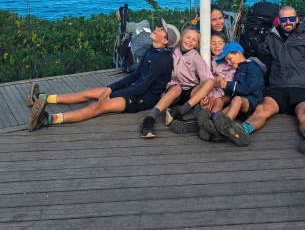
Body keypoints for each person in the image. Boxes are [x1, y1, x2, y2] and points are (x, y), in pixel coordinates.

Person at [27, 18, 179, 132]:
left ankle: (48, 119)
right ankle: (42, 98)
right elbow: (135, 75)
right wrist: (110, 88)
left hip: (143, 99)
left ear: (165, 40)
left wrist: (112, 94)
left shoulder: (162, 59)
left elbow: (143, 86)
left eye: (161, 30)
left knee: (98, 106)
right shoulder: (152, 50)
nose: (157, 28)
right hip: (136, 90)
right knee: (89, 92)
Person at [237, 6, 305, 155]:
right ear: (279, 21)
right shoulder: (271, 37)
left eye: (291, 18)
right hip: (278, 87)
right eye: (284, 19)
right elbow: (262, 58)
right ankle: (241, 131)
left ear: (296, 19)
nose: (287, 22)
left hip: (301, 87)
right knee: (262, 109)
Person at [138, 27, 215, 138]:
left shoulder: (196, 58)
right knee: (176, 88)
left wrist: (207, 95)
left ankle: (179, 113)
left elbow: (206, 78)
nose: (190, 41)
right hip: (174, 88)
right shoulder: (173, 51)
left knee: (210, 81)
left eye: (194, 40)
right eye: (188, 37)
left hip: (191, 91)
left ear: (196, 44)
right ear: (182, 37)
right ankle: (149, 118)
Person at [211, 42, 265, 147]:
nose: (229, 63)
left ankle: (224, 128)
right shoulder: (237, 69)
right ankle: (214, 124)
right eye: (227, 61)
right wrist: (222, 82)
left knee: (236, 99)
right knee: (228, 104)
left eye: (230, 59)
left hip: (251, 101)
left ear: (239, 53)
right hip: (238, 103)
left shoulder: (252, 66)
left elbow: (249, 88)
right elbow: (233, 88)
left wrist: (227, 85)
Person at [194, 31, 235, 142]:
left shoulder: (229, 61)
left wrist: (217, 84)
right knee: (207, 100)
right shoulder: (209, 59)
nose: (217, 46)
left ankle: (211, 123)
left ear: (226, 45)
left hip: (223, 91)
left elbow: (228, 81)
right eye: (213, 43)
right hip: (211, 90)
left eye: (220, 43)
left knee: (218, 101)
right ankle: (204, 124)